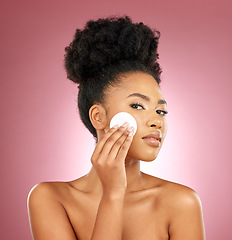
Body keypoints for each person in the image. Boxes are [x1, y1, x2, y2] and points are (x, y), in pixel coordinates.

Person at [27, 15, 206, 240]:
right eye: (137, 105)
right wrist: (112, 194)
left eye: (161, 111)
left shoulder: (181, 202)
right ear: (99, 117)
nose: (156, 121)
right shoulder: (51, 198)